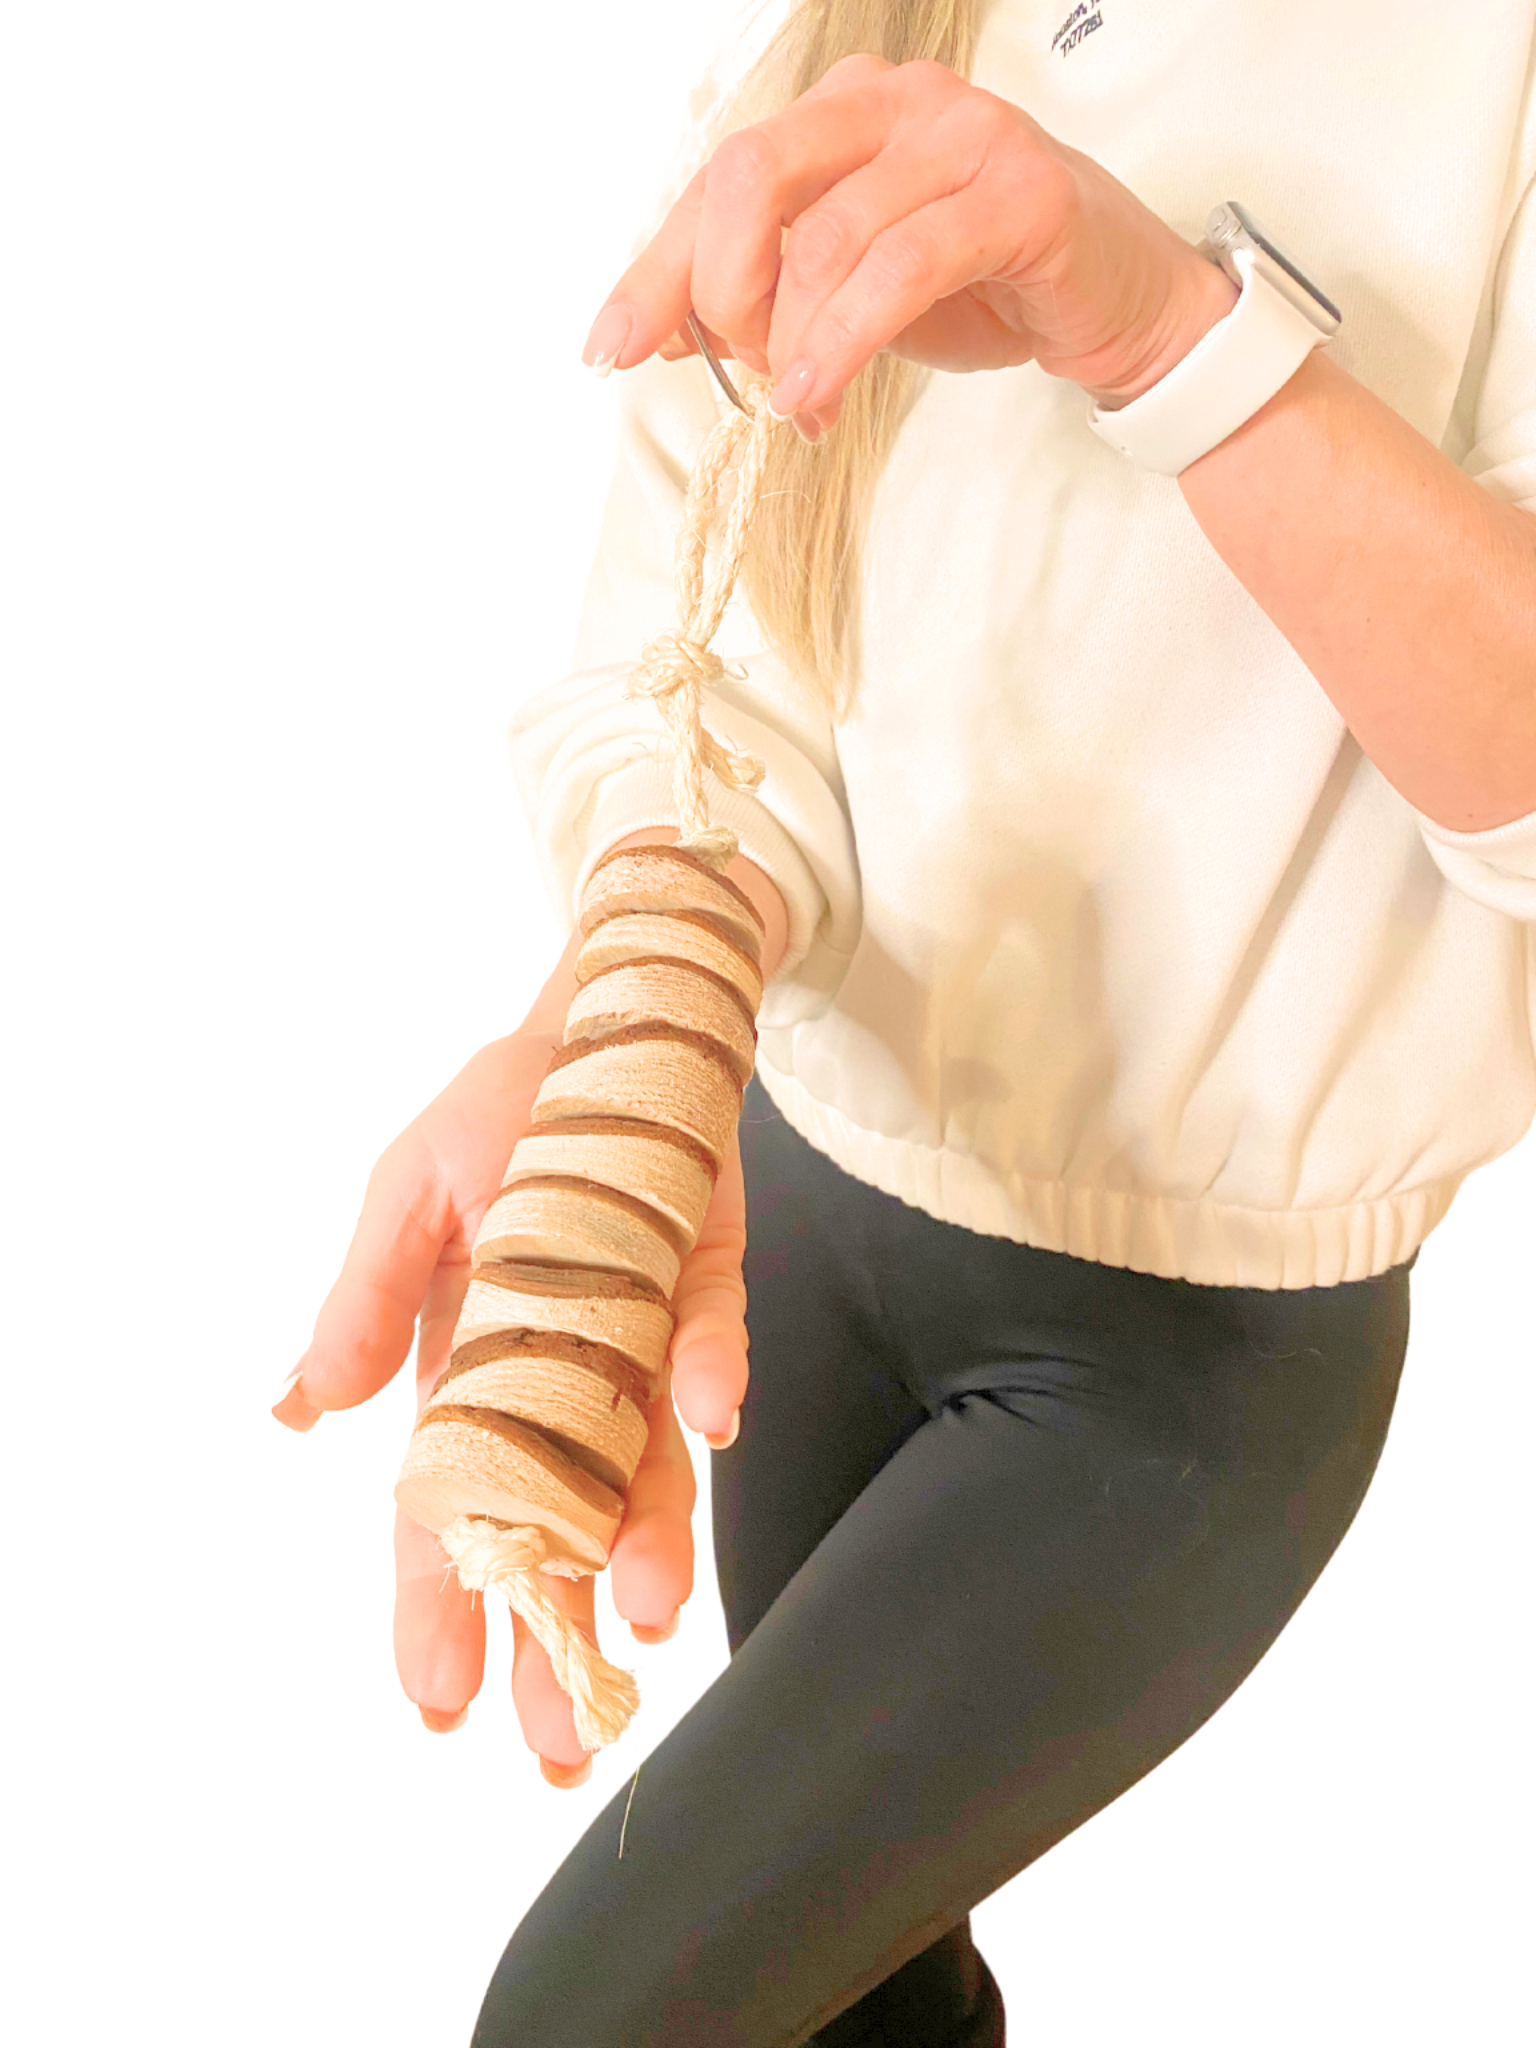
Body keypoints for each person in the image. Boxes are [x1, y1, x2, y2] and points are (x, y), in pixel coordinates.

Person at [274, 4, 1536, 2042]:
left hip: (1182, 1359)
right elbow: (720, 645)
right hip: (789, 1215)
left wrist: (1160, 329)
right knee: (858, 1999)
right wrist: (623, 1041)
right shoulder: (870, 21)